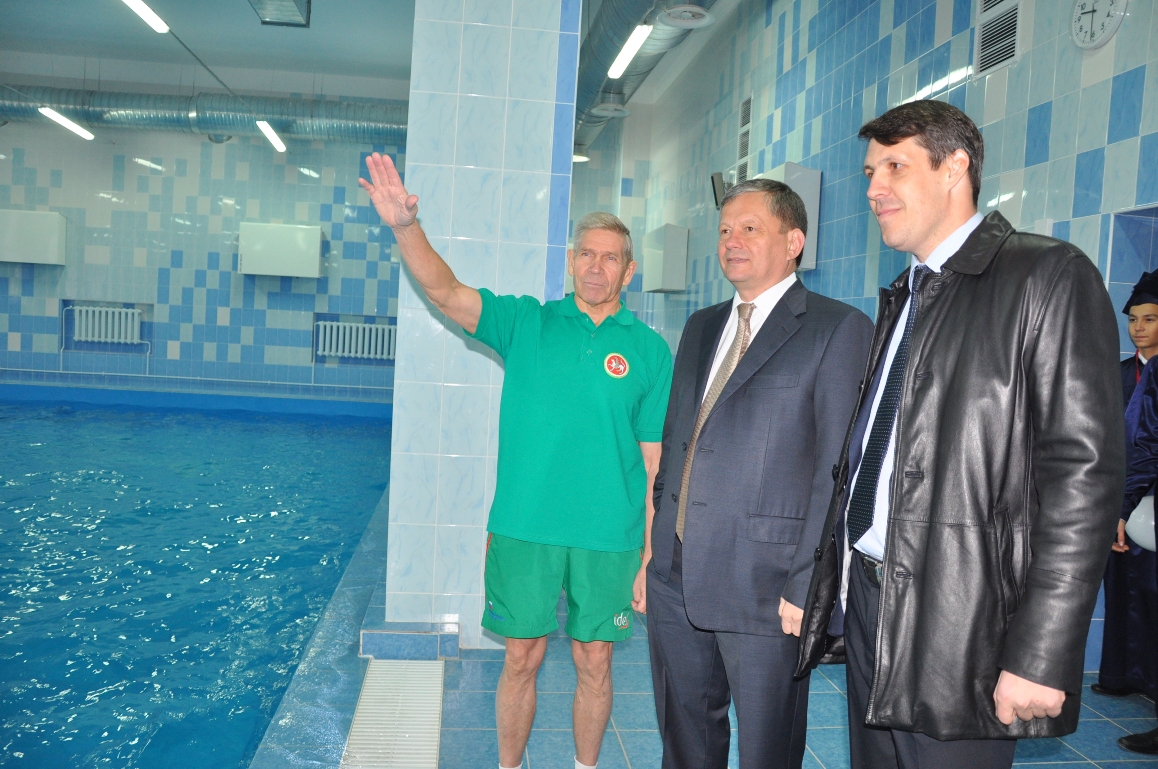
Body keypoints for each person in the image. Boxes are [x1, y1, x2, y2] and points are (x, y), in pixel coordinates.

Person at [795, 100, 1125, 769]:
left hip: (962, 618)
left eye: (895, 166)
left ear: (955, 167)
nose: (873, 188)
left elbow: (1083, 475)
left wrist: (1040, 651)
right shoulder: (908, 293)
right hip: (873, 603)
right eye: (869, 172)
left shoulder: (1045, 276)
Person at [360, 154, 673, 769]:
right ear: (571, 261)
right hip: (525, 526)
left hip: (608, 535)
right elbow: (446, 292)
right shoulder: (527, 323)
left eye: (611, 257)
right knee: (521, 656)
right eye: (587, 253)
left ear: (629, 270)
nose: (596, 266)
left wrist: (648, 554)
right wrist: (405, 226)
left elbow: (654, 462)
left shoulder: (650, 351)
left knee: (595, 660)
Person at [645, 177, 873, 768]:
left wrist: (808, 583)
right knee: (684, 741)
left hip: (767, 586)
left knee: (767, 750)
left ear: (794, 241)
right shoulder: (701, 327)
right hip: (676, 575)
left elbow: (838, 470)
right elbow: (678, 440)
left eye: (750, 228)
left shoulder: (836, 328)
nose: (732, 241)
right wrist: (656, 550)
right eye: (725, 230)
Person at [1109, 275, 1158, 754]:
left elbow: (1147, 444)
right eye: (1134, 320)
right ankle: (1123, 673)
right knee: (1128, 589)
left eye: (1150, 319)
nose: (1139, 328)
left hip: (1145, 497)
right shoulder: (1120, 373)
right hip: (1127, 493)